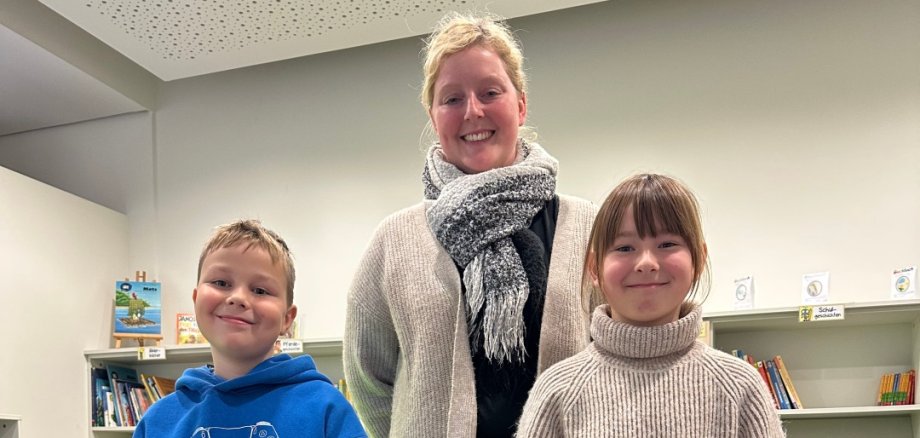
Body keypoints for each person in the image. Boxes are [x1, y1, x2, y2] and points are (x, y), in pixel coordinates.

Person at [343, 12, 598, 438]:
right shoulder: (393, 242)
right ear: (433, 116)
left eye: (490, 92)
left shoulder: (588, 227)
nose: (473, 111)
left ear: (521, 104)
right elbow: (369, 380)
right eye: (452, 99)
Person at [516, 174, 785, 437]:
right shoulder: (558, 389)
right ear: (594, 268)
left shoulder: (740, 385)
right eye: (624, 248)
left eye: (667, 244)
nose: (646, 263)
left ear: (698, 260)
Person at [134, 219, 366, 438]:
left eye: (260, 290)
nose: (238, 298)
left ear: (287, 319)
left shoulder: (326, 408)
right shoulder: (158, 420)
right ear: (196, 301)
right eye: (221, 283)